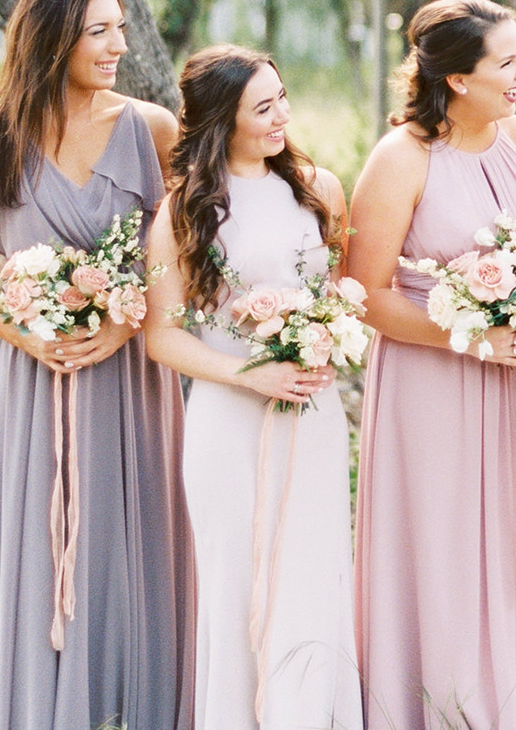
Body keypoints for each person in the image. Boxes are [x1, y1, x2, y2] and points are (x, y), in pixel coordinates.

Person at [0, 0, 193, 729]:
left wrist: (122, 322)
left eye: (119, 26)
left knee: (136, 546)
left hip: (132, 380)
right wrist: (30, 333)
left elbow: (180, 252)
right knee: (39, 557)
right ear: (52, 42)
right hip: (31, 382)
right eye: (99, 31)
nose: (118, 44)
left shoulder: (152, 130)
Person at [347, 0, 516, 729]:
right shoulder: (401, 159)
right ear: (456, 78)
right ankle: (440, 704)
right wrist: (471, 337)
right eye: (507, 60)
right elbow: (365, 293)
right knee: (444, 540)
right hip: (433, 379)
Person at [144, 45, 363, 729]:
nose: (282, 116)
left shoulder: (317, 188)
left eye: (283, 98)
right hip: (225, 421)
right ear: (221, 120)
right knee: (235, 582)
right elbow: (161, 335)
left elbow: (335, 294)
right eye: (262, 107)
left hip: (311, 413)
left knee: (313, 570)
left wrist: (327, 336)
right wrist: (251, 371)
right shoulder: (183, 209)